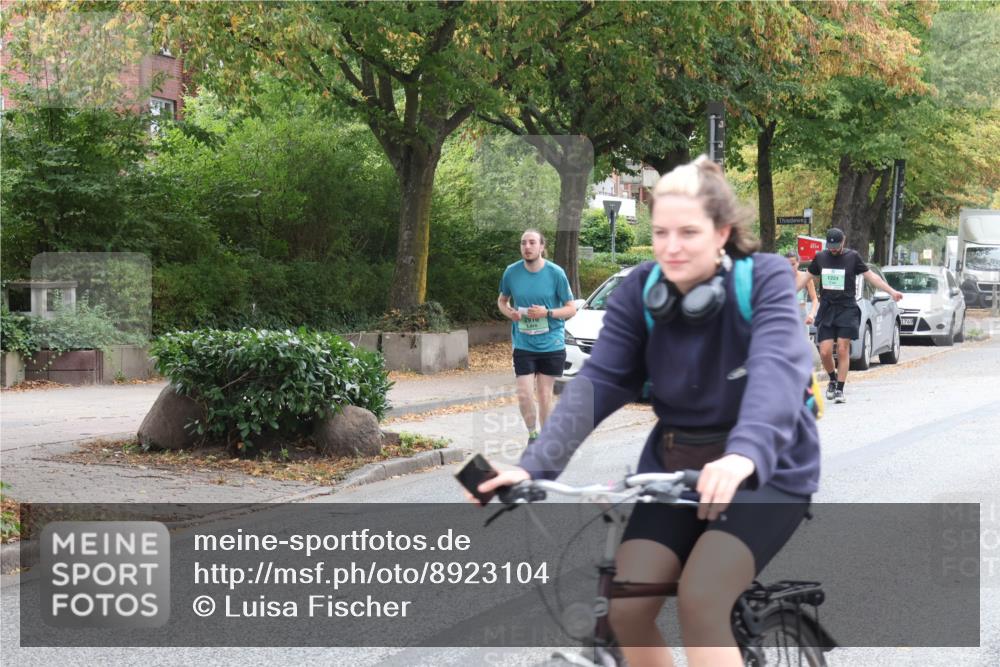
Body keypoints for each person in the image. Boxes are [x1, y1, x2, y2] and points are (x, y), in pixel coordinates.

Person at [480, 157, 819, 667]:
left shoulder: (765, 279)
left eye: (688, 232)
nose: (671, 247)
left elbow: (776, 369)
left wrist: (744, 454)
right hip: (676, 465)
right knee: (625, 609)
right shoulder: (641, 291)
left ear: (722, 232)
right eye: (661, 232)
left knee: (702, 598)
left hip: (765, 470)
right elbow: (601, 380)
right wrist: (534, 467)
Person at [497, 229, 577, 445]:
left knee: (544, 394)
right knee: (524, 393)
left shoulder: (556, 273)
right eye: (523, 243)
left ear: (542, 247)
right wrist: (510, 313)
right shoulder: (511, 272)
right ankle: (533, 434)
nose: (527, 247)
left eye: (532, 242)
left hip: (551, 342)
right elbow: (502, 301)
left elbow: (571, 308)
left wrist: (547, 313)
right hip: (523, 342)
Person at [807, 228, 902, 404]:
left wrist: (891, 291)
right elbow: (805, 277)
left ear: (843, 241)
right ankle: (832, 379)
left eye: (837, 246)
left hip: (847, 308)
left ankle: (840, 389)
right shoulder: (820, 257)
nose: (833, 249)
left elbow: (872, 277)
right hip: (827, 308)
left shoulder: (852, 257)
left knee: (843, 348)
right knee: (825, 351)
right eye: (831, 246)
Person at [785, 251, 819, 326]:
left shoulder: (805, 277)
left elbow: (814, 299)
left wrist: (811, 314)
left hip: (802, 315)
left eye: (793, 264)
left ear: (798, 262)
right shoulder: (781, 278)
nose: (790, 267)